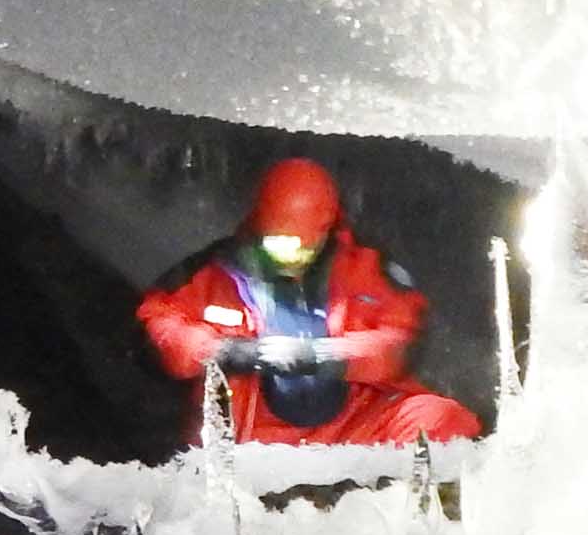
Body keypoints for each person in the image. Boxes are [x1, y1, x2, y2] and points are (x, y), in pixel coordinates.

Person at [137, 157, 483, 447]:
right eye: (277, 246)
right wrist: (232, 352)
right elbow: (158, 323)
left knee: (445, 421)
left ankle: (405, 497)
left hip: (353, 422)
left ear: (325, 231)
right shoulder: (214, 273)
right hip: (254, 434)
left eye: (301, 248)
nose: (288, 260)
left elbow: (401, 339)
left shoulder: (365, 269)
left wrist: (325, 356)